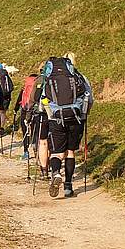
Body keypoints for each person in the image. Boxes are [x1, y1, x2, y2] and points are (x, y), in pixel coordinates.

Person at [42, 53, 93, 197]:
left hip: (56, 118)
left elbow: (42, 101)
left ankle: (56, 173)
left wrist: (46, 112)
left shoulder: (49, 78)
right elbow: (89, 98)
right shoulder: (80, 77)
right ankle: (68, 186)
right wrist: (84, 114)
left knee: (57, 153)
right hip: (76, 118)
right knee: (70, 152)